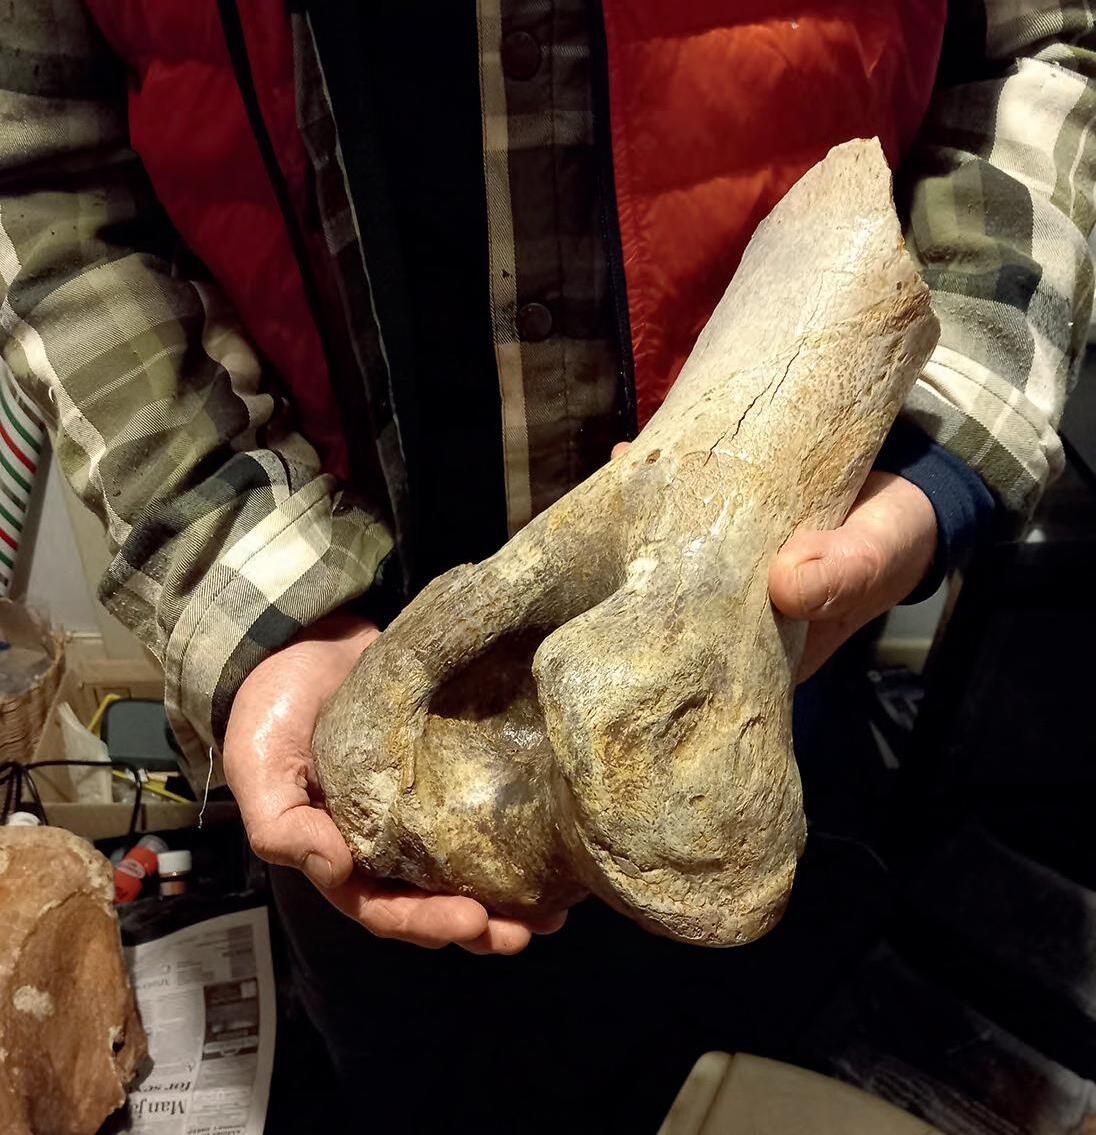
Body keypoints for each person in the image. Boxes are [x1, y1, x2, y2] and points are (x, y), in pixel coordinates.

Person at [1, 1, 1090, 1128]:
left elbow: (1045, 48)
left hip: (785, 627)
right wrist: (245, 577)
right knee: (430, 1083)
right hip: (331, 613)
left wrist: (945, 436)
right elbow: (39, 162)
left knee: (746, 1061)